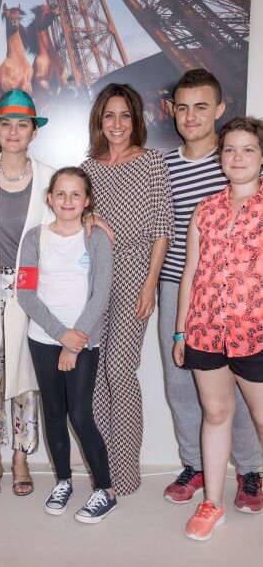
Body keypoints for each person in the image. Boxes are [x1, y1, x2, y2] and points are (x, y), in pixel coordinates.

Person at [159, 70, 262, 510]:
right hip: (182, 289)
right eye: (182, 107)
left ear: (220, 110)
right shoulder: (163, 166)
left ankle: (249, 470)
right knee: (182, 386)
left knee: (241, 391)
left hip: (243, 303)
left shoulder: (236, 162)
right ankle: (195, 465)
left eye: (201, 106)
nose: (191, 116)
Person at [81, 83, 174, 496]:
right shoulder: (88, 168)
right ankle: (104, 473)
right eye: (109, 116)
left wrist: (150, 284)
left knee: (120, 371)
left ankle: (126, 473)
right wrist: (91, 220)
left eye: (125, 115)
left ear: (136, 119)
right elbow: (75, 220)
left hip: (137, 271)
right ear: (99, 121)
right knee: (95, 378)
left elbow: (163, 229)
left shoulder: (152, 162)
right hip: (95, 275)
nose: (117, 124)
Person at [0, 89, 53, 497]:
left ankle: (21, 456)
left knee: (26, 378)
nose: (14, 131)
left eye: (23, 124)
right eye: (6, 124)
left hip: (32, 295)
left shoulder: (53, 178)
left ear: (33, 132)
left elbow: (66, 232)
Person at [18, 167, 117, 523]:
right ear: (49, 198)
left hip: (83, 342)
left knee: (80, 414)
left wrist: (74, 343)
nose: (68, 201)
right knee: (54, 414)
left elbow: (100, 295)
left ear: (87, 201)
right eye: (61, 194)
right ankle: (63, 481)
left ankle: (105, 490)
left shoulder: (96, 238)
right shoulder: (35, 237)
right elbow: (26, 294)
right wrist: (60, 335)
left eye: (76, 194)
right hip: (43, 339)